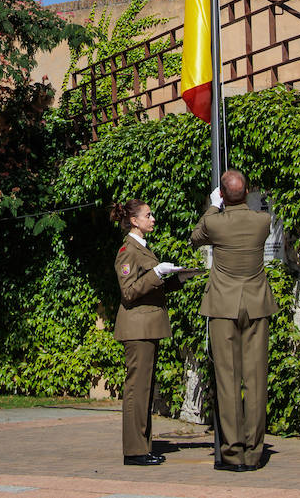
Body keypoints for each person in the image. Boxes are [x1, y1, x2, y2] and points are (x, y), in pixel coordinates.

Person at [190, 168, 276, 472]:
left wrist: (214, 204)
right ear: (249, 191)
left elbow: (195, 237)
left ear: (223, 194)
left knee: (227, 380)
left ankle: (232, 452)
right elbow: (248, 217)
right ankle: (254, 453)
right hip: (256, 305)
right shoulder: (262, 221)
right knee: (255, 381)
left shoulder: (214, 222)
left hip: (224, 306)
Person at [111, 198, 186, 466]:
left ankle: (143, 446)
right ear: (134, 221)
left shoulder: (142, 248)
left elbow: (151, 289)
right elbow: (130, 291)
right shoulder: (127, 251)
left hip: (147, 325)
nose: (153, 219)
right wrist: (156, 272)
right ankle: (134, 451)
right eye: (148, 215)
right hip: (137, 327)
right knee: (136, 390)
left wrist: (177, 279)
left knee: (145, 390)